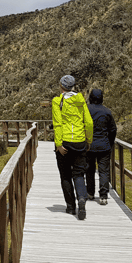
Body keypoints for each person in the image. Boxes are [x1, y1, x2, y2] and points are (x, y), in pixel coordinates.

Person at [52, 75, 93, 220]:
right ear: (73, 86)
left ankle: (70, 207)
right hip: (80, 141)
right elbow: (88, 122)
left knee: (65, 175)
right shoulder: (81, 100)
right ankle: (81, 199)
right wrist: (88, 140)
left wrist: (58, 144)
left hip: (65, 142)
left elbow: (57, 124)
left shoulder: (57, 101)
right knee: (78, 174)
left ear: (60, 86)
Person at [85, 88, 117, 205]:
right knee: (104, 171)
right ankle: (103, 196)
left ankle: (90, 193)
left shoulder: (86, 110)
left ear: (90, 98)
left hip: (89, 145)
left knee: (89, 169)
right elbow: (113, 129)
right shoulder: (107, 112)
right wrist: (110, 142)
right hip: (104, 145)